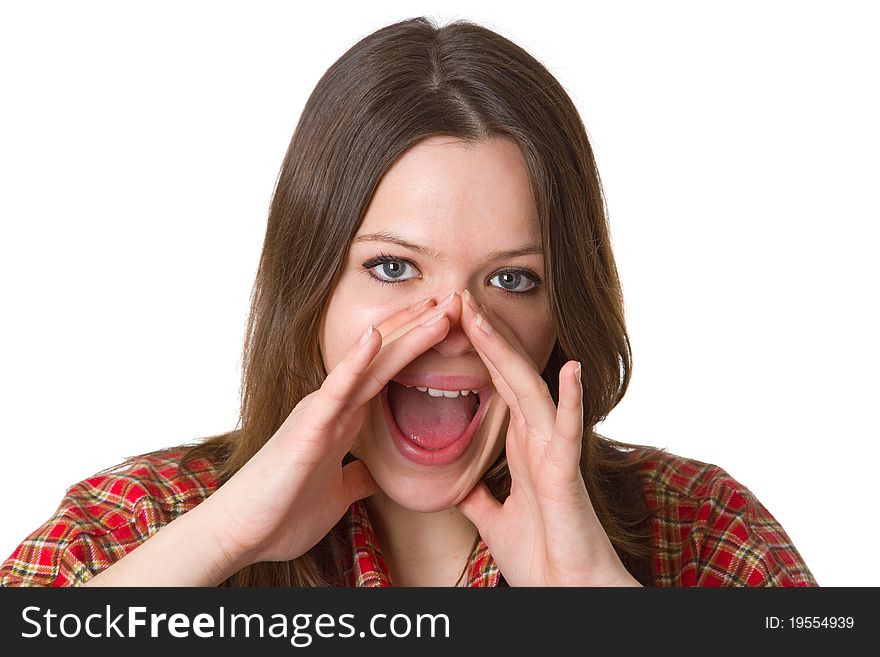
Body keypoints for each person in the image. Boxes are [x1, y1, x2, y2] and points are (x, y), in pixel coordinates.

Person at [0, 16, 816, 588]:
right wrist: (223, 539)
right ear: (311, 286)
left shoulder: (704, 532)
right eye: (393, 268)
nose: (451, 327)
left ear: (566, 313)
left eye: (512, 279)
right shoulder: (139, 524)